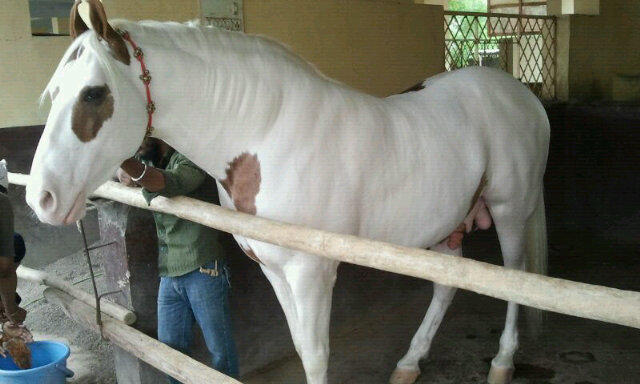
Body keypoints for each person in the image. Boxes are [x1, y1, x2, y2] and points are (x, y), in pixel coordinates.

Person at [116, 140, 238, 381]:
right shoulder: (149, 160)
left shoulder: (191, 157)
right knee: (171, 351)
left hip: (203, 267)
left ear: (156, 136)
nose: (136, 147)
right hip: (169, 272)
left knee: (219, 349)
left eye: (139, 139)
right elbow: (133, 177)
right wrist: (124, 165)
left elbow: (167, 182)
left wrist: (124, 162)